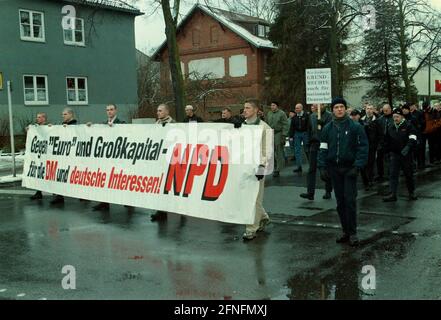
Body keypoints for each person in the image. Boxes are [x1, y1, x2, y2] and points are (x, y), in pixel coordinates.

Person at [318, 97, 369, 246]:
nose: (339, 109)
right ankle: (345, 231)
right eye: (336, 107)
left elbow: (363, 147)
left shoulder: (355, 127)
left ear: (345, 109)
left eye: (341, 107)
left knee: (350, 201)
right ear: (332, 110)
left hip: (350, 169)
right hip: (334, 169)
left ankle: (353, 233)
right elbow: (323, 148)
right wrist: (322, 167)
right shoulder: (327, 128)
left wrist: (357, 166)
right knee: (340, 202)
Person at [241, 100, 271, 241]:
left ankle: (251, 228)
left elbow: (267, 150)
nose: (244, 110)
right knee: (247, 197)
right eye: (244, 108)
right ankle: (263, 217)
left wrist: (262, 166)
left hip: (257, 167)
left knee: (255, 198)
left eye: (247, 108)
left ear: (255, 110)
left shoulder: (265, 127)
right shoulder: (241, 126)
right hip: (243, 166)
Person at [90, 104, 127, 211]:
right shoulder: (103, 124)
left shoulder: (122, 123)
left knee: (121, 179)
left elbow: (126, 134)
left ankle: (128, 202)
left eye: (111, 110)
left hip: (119, 157)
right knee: (105, 179)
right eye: (107, 110)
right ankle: (104, 202)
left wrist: (115, 128)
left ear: (116, 110)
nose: (109, 112)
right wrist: (91, 127)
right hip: (107, 157)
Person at [383, 108, 418, 202]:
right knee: (393, 175)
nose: (395, 118)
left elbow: (413, 137)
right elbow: (387, 140)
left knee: (408, 174)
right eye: (394, 117)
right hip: (395, 155)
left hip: (406, 155)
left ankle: (411, 192)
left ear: (402, 117)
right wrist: (386, 152)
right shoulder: (390, 126)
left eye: (397, 116)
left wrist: (408, 147)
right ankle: (392, 194)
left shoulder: (408, 125)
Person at [300, 104, 333, 200]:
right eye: (317, 104)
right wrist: (308, 142)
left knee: (325, 168)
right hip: (314, 143)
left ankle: (328, 190)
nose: (319, 106)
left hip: (325, 144)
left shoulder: (330, 116)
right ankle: (310, 192)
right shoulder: (312, 116)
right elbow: (309, 129)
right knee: (311, 169)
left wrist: (322, 124)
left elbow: (331, 129)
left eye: (321, 104)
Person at [151, 104, 176, 222]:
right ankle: (161, 211)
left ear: (167, 111)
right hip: (159, 160)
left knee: (171, 186)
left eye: (160, 111)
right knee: (160, 186)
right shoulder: (156, 125)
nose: (158, 113)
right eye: (157, 111)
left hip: (170, 160)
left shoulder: (174, 124)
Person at [50, 108, 78, 205]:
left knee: (75, 175)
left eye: (65, 114)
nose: (63, 116)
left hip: (72, 156)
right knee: (60, 175)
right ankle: (59, 195)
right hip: (62, 155)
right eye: (62, 114)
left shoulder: (76, 126)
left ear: (71, 114)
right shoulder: (62, 126)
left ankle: (82, 195)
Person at [360, 105, 381, 191]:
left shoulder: (377, 121)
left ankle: (370, 179)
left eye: (371, 109)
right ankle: (366, 181)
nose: (369, 110)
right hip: (363, 146)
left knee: (370, 163)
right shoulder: (361, 120)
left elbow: (380, 134)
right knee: (363, 164)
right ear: (365, 110)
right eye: (367, 109)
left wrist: (378, 145)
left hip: (373, 146)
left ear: (373, 110)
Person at [266, 101, 289, 177]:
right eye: (271, 105)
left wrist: (284, 135)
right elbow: (267, 123)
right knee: (272, 151)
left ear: (277, 106)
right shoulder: (269, 113)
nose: (272, 107)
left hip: (278, 133)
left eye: (273, 105)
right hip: (271, 133)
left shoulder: (281, 113)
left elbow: (285, 124)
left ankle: (278, 169)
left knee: (278, 150)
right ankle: (275, 165)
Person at [29, 112, 48, 200]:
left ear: (44, 118)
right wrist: (29, 130)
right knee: (39, 173)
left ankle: (56, 193)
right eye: (37, 117)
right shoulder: (36, 128)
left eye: (40, 117)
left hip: (47, 155)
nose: (38, 119)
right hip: (39, 154)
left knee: (49, 174)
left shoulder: (49, 127)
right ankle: (38, 192)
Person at [289, 103, 309, 173]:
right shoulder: (294, 118)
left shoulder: (306, 115)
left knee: (307, 149)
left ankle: (311, 166)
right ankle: (299, 167)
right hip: (297, 134)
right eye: (295, 108)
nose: (296, 109)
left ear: (301, 108)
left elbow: (309, 126)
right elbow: (292, 127)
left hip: (305, 133)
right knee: (297, 150)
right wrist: (291, 136)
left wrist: (309, 135)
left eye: (297, 108)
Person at [375, 104, 393, 182]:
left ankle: (390, 173)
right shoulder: (379, 120)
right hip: (381, 142)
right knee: (379, 159)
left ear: (390, 109)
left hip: (391, 142)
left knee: (390, 159)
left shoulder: (394, 118)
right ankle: (380, 174)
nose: (385, 112)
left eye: (387, 110)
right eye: (384, 110)